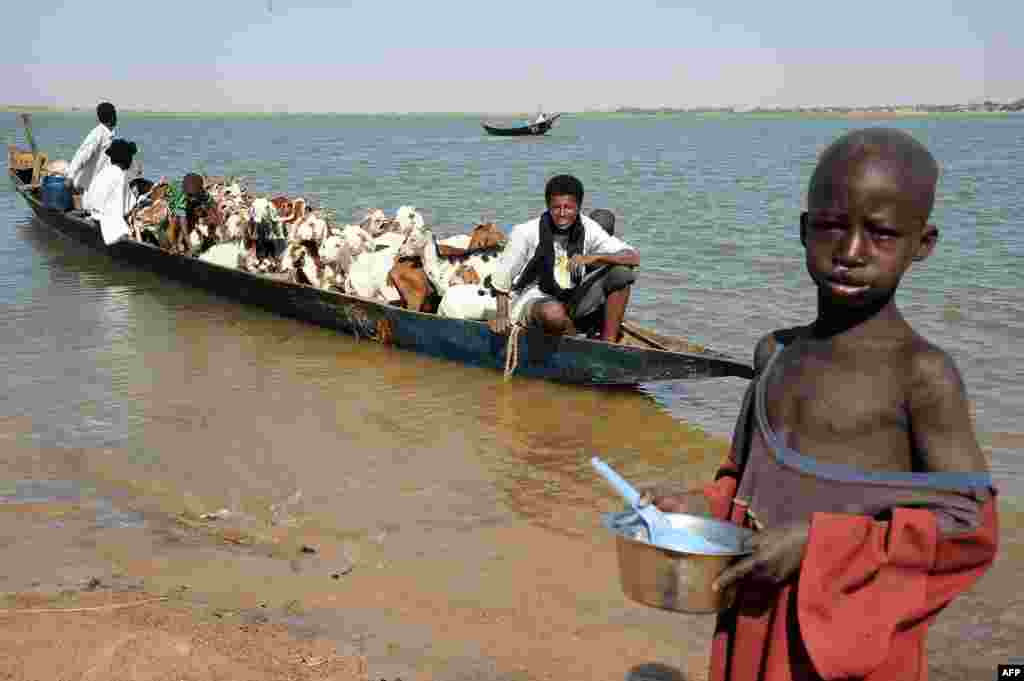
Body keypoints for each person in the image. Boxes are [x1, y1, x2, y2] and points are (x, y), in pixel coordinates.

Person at [647, 128, 998, 681]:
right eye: (832, 225)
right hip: (756, 614)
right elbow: (746, 480)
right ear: (804, 229)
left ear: (922, 244)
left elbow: (967, 528)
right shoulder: (775, 354)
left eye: (881, 233)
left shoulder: (922, 374)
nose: (851, 252)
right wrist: (703, 506)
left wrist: (819, 543)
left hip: (845, 640)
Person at [489, 175, 639, 342]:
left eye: (568, 208)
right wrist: (501, 314)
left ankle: (608, 344)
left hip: (572, 295)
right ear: (547, 206)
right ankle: (575, 336)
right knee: (553, 314)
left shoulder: (588, 227)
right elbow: (502, 279)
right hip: (536, 298)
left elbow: (632, 257)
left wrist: (593, 257)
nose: (562, 214)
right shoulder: (525, 232)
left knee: (622, 274)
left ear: (578, 207)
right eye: (556, 208)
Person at [66, 102, 117, 196]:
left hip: (101, 186)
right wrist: (70, 177)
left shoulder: (110, 135)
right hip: (89, 187)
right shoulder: (97, 134)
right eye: (114, 114)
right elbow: (81, 155)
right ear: (112, 117)